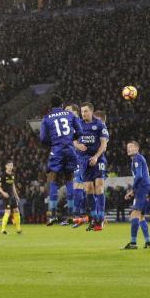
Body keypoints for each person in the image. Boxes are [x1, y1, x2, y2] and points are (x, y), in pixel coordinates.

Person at [38, 99, 81, 226]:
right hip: (70, 150)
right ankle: (71, 214)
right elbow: (80, 132)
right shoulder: (70, 115)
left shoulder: (47, 118)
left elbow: (43, 138)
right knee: (69, 180)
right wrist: (69, 139)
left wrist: (54, 142)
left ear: (51, 106)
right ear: (62, 106)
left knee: (52, 180)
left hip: (56, 150)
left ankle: (52, 214)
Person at [75, 102, 109, 231]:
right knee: (89, 189)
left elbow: (104, 144)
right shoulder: (77, 124)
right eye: (82, 112)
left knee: (99, 186)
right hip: (84, 160)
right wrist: (77, 145)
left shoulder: (99, 125)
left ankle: (100, 217)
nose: (83, 114)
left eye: (85, 111)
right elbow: (73, 140)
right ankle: (94, 217)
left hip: (98, 159)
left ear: (91, 112)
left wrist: (96, 156)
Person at [123, 141, 150, 249]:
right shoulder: (138, 158)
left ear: (137, 148)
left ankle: (133, 243)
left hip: (142, 188)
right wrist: (134, 191)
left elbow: (139, 176)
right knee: (141, 216)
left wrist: (132, 189)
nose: (129, 149)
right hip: (144, 188)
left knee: (134, 214)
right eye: (128, 147)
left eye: (131, 147)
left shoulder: (137, 158)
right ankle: (148, 242)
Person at [0, 161, 22, 235]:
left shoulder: (12, 175)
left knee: (16, 211)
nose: (11, 167)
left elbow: (13, 185)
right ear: (6, 166)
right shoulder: (3, 175)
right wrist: (3, 193)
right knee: (8, 212)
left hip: (12, 196)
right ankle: (3, 229)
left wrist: (16, 195)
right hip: (6, 196)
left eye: (12, 165)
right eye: (9, 165)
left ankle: (18, 229)